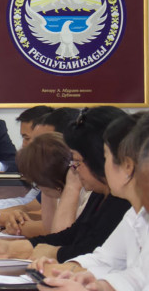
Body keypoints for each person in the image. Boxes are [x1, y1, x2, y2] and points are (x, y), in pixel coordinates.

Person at [0, 106, 130, 263]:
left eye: (77, 161)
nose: (75, 168)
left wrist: (51, 253)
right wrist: (10, 248)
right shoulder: (100, 193)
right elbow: (70, 235)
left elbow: (86, 250)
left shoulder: (121, 199)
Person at [33, 113, 149, 291]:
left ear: (128, 166)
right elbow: (124, 269)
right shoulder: (135, 213)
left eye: (105, 156)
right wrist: (97, 283)